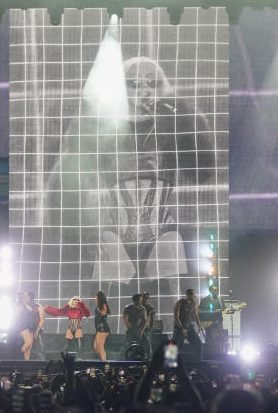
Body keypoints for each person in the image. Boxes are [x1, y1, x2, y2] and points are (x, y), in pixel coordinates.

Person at [90, 56, 216, 287]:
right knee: (106, 306)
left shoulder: (172, 125)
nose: (144, 91)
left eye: (152, 83)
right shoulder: (103, 129)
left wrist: (184, 116)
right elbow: (80, 185)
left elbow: (204, 169)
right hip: (114, 233)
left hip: (164, 232)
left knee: (173, 303)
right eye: (134, 84)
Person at [173, 288, 204, 361]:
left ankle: (197, 363)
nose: (195, 296)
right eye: (193, 294)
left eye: (194, 295)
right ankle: (170, 366)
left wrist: (199, 326)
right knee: (174, 347)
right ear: (188, 295)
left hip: (190, 328)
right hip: (179, 328)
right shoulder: (179, 303)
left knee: (198, 344)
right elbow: (176, 317)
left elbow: (196, 316)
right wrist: (181, 328)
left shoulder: (194, 304)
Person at [122, 294, 148, 360]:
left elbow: (145, 321)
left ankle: (146, 358)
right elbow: (125, 319)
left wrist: (141, 330)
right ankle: (125, 358)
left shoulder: (143, 309)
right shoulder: (128, 307)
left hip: (140, 330)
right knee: (128, 345)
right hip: (131, 330)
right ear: (135, 300)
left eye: (141, 299)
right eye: (140, 299)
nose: (141, 301)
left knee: (147, 343)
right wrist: (132, 329)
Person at [93, 291, 111, 361]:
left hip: (103, 328)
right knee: (96, 346)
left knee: (100, 346)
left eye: (96, 297)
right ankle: (102, 360)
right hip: (99, 328)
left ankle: (104, 362)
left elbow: (104, 315)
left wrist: (101, 311)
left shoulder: (104, 305)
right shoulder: (99, 305)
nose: (95, 298)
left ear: (99, 298)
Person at [141, 291, 157, 356]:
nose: (144, 299)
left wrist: (150, 327)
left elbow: (152, 319)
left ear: (148, 299)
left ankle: (149, 357)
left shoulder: (150, 307)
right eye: (143, 297)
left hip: (145, 328)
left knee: (147, 343)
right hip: (136, 327)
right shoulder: (137, 306)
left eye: (146, 298)